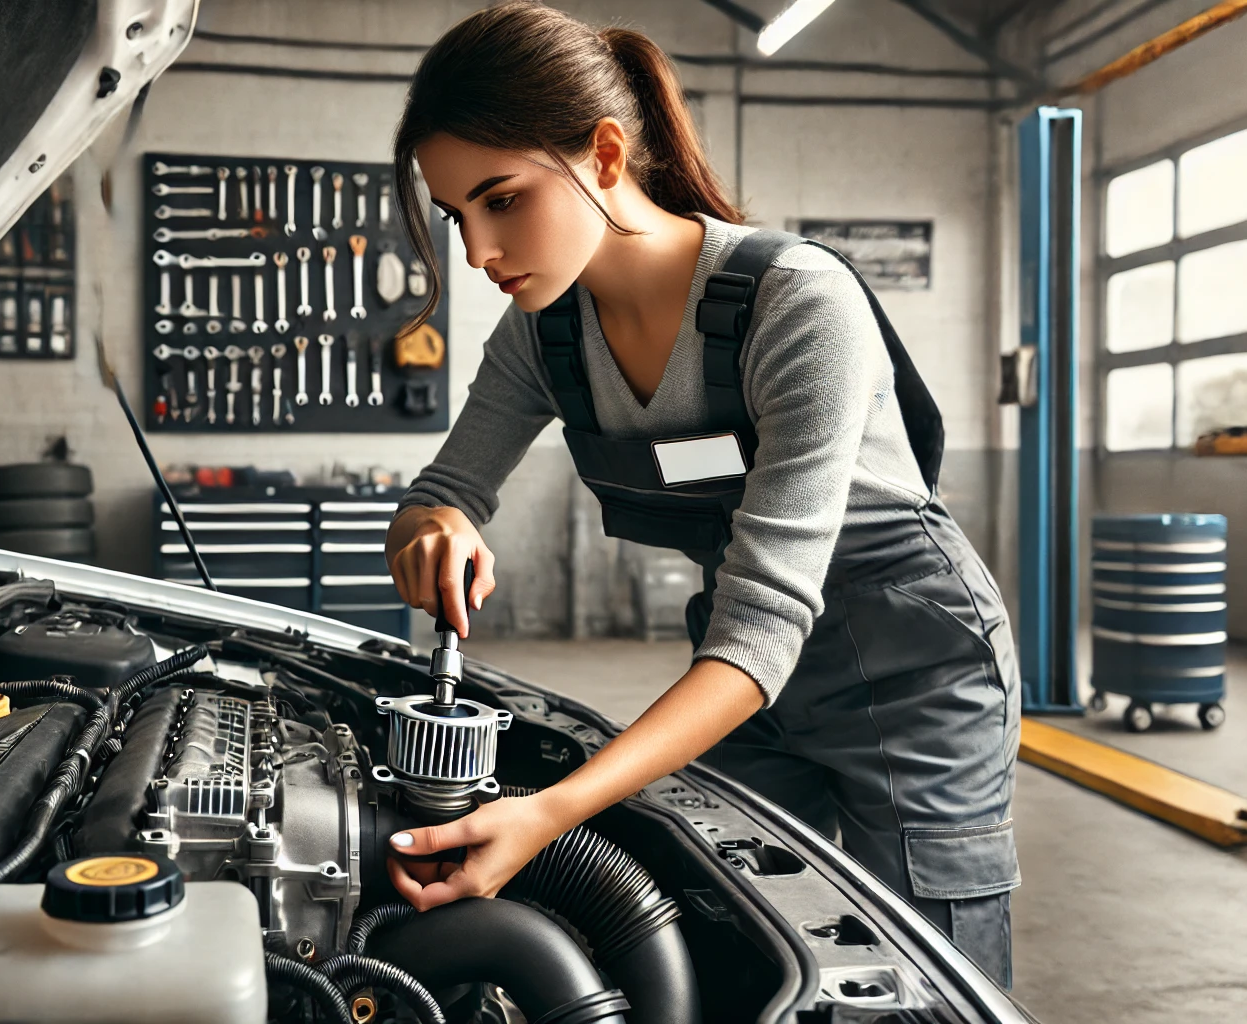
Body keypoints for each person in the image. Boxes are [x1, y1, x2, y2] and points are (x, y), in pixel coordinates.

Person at [380, 1, 1020, 987]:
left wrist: (552, 813)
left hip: (912, 660)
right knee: (739, 943)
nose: (476, 252)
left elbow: (762, 629)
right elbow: (444, 489)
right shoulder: (545, 337)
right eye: (456, 215)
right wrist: (437, 527)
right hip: (746, 666)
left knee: (924, 978)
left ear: (601, 155)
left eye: (500, 199)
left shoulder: (794, 300)